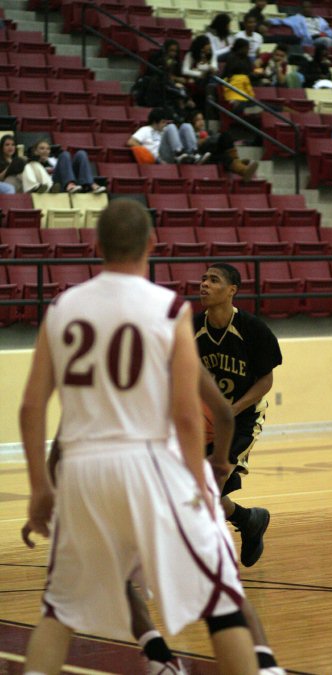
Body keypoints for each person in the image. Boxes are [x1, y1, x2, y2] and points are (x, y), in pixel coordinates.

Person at [19, 199, 261, 675]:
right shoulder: (169, 308)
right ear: (152, 242)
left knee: (58, 614)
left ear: (95, 245)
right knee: (221, 601)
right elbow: (189, 417)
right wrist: (198, 483)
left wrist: (39, 489)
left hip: (83, 470)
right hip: (146, 462)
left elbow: (31, 408)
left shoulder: (62, 307)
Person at [22, 366, 286, 675]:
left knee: (71, 604)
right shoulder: (168, 326)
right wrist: (217, 464)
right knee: (224, 595)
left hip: (100, 484)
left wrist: (46, 492)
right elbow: (220, 415)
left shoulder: (75, 333)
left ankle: (159, 658)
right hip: (165, 477)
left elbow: (55, 428)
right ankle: (265, 666)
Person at [194, 263, 283, 568]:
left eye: (213, 280)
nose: (204, 284)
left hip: (241, 419)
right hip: (203, 421)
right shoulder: (191, 329)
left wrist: (230, 411)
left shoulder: (252, 329)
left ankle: (207, 562)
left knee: (205, 490)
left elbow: (266, 382)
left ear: (232, 290)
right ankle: (248, 520)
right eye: (203, 279)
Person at [189, 109, 259, 181]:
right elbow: (193, 147)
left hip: (213, 153)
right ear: (192, 122)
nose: (201, 122)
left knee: (226, 138)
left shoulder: (208, 132)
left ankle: (239, 165)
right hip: (203, 156)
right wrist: (202, 141)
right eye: (198, 120)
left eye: (202, 119)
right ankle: (240, 166)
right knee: (223, 152)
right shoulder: (190, 133)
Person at [127, 107, 211, 165]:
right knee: (171, 127)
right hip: (160, 157)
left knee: (186, 126)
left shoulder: (164, 130)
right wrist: (146, 152)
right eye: (163, 122)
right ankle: (179, 154)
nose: (165, 124)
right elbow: (131, 142)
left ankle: (194, 154)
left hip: (172, 153)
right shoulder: (145, 129)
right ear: (155, 122)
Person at [266, 0, 332, 50]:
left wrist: (326, 34)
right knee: (327, 41)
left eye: (309, 7)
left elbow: (330, 31)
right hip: (311, 41)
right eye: (305, 7)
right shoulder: (296, 18)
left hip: (327, 38)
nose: (307, 9)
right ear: (301, 9)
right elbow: (281, 21)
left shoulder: (319, 19)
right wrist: (267, 21)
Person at [22, 138, 106, 194]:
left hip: (70, 184)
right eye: (42, 148)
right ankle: (69, 184)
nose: (45, 151)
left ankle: (90, 184)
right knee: (65, 154)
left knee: (81, 154)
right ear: (35, 151)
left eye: (48, 149)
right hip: (54, 187)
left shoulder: (54, 161)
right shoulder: (32, 164)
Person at [222, 39, 262, 117]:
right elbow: (229, 74)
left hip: (245, 86)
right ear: (240, 48)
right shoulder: (231, 57)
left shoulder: (247, 59)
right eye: (246, 48)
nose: (248, 50)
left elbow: (249, 73)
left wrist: (256, 75)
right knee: (243, 103)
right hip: (234, 86)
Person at [182, 35, 218, 110]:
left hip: (208, 77)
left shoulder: (212, 54)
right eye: (207, 45)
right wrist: (199, 73)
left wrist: (202, 69)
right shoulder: (191, 54)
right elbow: (184, 70)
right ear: (201, 47)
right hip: (196, 79)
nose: (209, 46)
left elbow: (214, 68)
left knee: (212, 78)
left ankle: (211, 97)